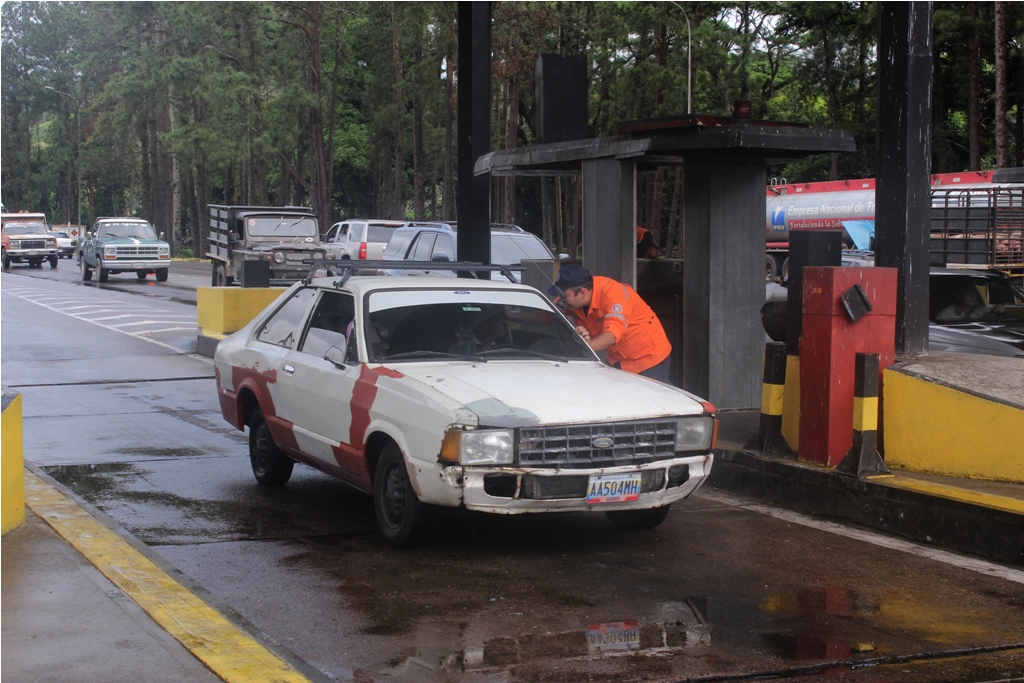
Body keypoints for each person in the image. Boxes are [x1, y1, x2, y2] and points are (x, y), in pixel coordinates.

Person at [548, 264, 672, 382]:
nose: (561, 300)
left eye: (564, 296)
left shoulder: (614, 296)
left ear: (583, 293)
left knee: (649, 401)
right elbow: (544, 317)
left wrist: (585, 348)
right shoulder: (572, 299)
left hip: (648, 360)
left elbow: (612, 335)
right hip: (617, 362)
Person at [935, 283, 1004, 321]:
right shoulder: (945, 315)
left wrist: (1000, 313)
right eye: (968, 293)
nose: (972, 295)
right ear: (959, 296)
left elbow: (995, 320)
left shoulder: (982, 311)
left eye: (974, 293)